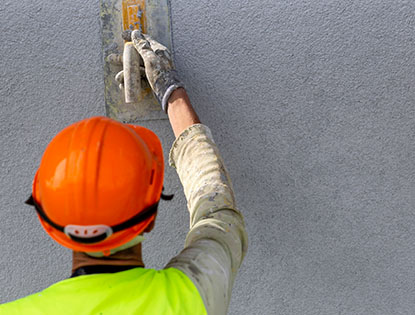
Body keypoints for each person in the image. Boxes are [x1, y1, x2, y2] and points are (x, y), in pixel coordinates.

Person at [0, 30, 248, 315]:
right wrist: (171, 90)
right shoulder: (191, 296)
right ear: (151, 217)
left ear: (49, 226)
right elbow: (218, 213)